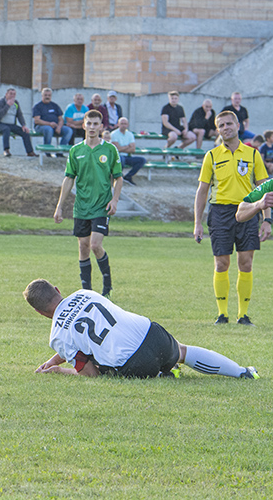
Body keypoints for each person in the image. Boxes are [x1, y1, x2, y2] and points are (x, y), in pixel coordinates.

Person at [23, 279, 260, 379]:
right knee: (183, 351)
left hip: (132, 362)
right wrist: (56, 359)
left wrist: (56, 370)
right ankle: (242, 372)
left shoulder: (57, 335)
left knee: (101, 367)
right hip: (150, 333)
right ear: (57, 289)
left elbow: (89, 374)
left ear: (40, 313)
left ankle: (162, 373)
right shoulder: (85, 293)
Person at [193, 111, 270, 327]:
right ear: (217, 130)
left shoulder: (253, 154)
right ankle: (222, 314)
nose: (226, 127)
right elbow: (202, 191)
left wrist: (266, 220)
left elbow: (265, 188)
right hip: (219, 213)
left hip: (248, 210)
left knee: (246, 263)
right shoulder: (212, 155)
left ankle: (243, 315)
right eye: (221, 125)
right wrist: (197, 223)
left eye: (229, 123)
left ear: (238, 125)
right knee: (221, 263)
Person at [54, 110, 123, 297]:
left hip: (101, 206)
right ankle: (87, 292)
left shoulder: (110, 150)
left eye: (95, 124)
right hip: (81, 207)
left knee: (94, 245)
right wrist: (60, 206)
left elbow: (118, 177)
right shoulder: (76, 151)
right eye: (89, 123)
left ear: (101, 126)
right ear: (83, 125)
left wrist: (114, 200)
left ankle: (107, 285)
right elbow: (69, 179)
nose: (92, 127)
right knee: (83, 246)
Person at [0, 87, 35, 157]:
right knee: (6, 129)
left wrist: (23, 125)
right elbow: (0, 114)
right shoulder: (0, 102)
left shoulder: (16, 103)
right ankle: (6, 150)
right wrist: (7, 105)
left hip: (11, 124)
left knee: (25, 132)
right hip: (0, 124)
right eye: (10, 94)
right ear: (6, 94)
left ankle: (30, 152)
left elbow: (19, 114)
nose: (12, 96)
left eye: (14, 94)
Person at [110, 117, 146, 186]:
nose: (123, 125)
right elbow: (116, 149)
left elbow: (133, 150)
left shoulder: (130, 134)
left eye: (125, 124)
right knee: (121, 159)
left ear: (128, 125)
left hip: (127, 156)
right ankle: (117, 177)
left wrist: (122, 148)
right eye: (122, 123)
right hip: (117, 156)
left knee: (142, 160)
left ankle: (128, 176)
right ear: (118, 124)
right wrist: (127, 146)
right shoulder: (114, 134)